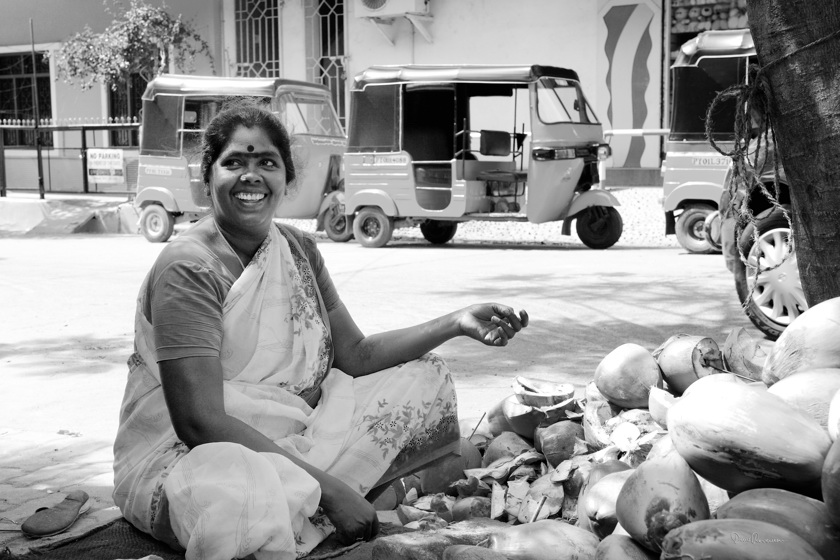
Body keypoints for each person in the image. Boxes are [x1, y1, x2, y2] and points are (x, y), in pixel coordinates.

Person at [112, 101, 528, 560]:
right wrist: (327, 489)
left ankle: (320, 503)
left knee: (424, 374)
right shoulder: (189, 268)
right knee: (234, 503)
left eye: (266, 163)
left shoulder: (297, 248)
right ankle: (338, 500)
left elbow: (356, 354)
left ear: (286, 180)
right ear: (207, 177)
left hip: (299, 428)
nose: (251, 176)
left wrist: (454, 322)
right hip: (197, 453)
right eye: (234, 163)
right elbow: (198, 421)